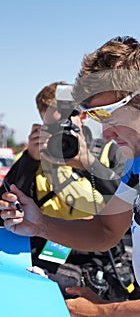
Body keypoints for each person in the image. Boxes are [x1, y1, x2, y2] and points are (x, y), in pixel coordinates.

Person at [0, 36, 140, 317]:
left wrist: (103, 312)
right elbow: (106, 231)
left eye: (110, 116)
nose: (105, 133)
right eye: (96, 119)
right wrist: (39, 224)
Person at [0, 81, 129, 299]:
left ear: (84, 117)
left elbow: (128, 207)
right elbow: (6, 208)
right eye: (52, 127)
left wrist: (89, 163)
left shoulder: (109, 153)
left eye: (68, 124)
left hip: (100, 263)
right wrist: (30, 160)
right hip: (51, 266)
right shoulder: (34, 159)